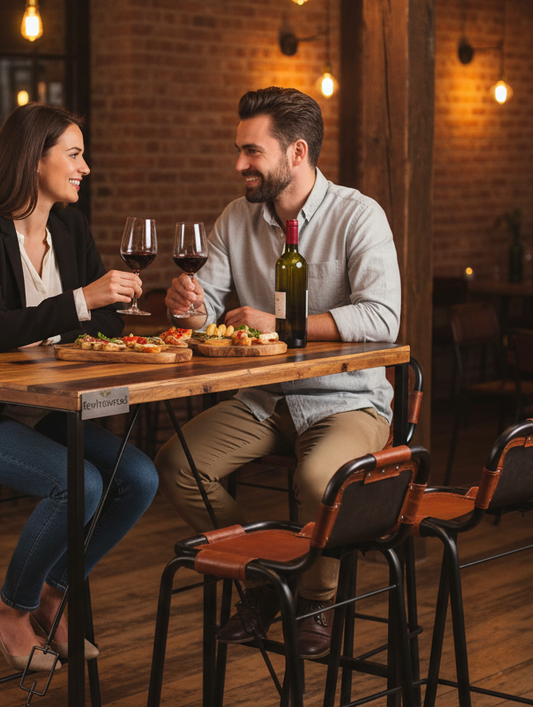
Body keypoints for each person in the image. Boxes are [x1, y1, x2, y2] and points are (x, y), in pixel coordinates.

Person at [155, 86, 401, 658]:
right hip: (266, 400)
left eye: (251, 152)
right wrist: (186, 305)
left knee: (319, 482)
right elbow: (204, 314)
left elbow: (383, 317)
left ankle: (318, 600)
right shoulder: (234, 220)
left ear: (295, 152)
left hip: (348, 399)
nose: (239, 164)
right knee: (177, 464)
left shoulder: (357, 216)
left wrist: (284, 326)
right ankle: (267, 579)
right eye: (239, 151)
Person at [0, 103, 159, 672]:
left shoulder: (69, 227)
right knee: (81, 484)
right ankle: (10, 608)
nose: (86, 167)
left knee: (138, 477)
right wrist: (83, 300)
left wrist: (109, 302)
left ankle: (53, 593)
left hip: (36, 409)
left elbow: (107, 325)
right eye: (74, 154)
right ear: (34, 159)